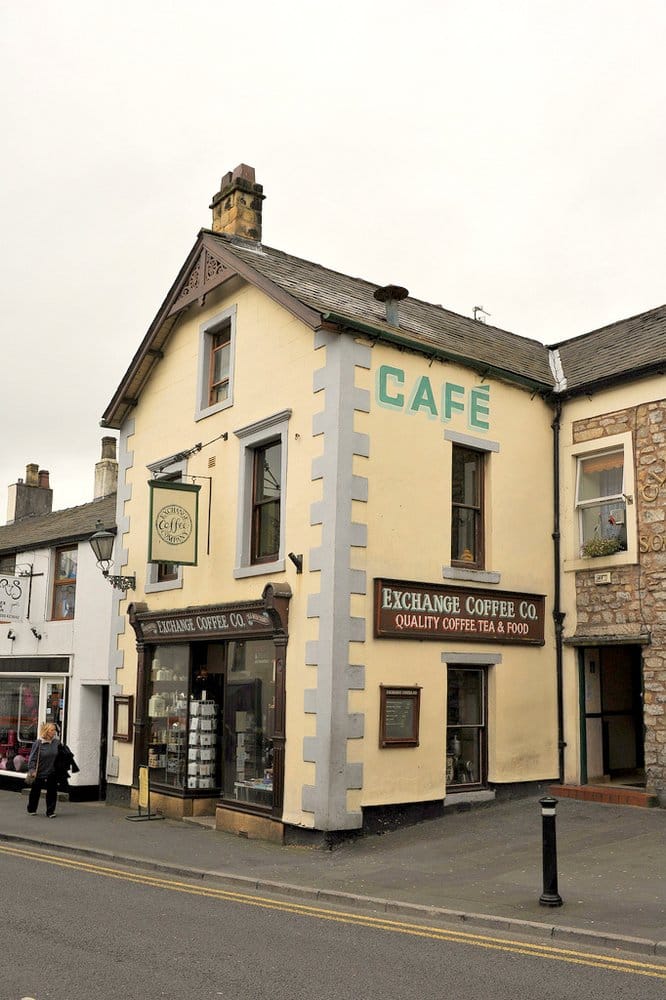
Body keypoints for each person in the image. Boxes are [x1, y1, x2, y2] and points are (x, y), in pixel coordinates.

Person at [26, 722, 60, 817]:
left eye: (54, 730)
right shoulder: (38, 743)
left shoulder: (56, 742)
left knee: (52, 792)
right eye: (52, 730)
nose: (54, 732)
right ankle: (32, 809)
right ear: (46, 731)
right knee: (35, 791)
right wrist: (32, 770)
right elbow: (32, 758)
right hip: (39, 772)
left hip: (52, 772)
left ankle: (50, 812)